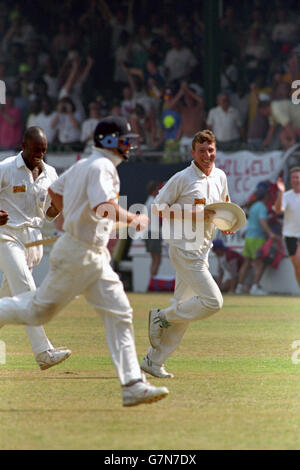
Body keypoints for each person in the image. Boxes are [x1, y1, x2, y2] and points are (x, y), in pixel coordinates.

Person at [0, 116, 169, 407]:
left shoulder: (83, 165)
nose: (129, 144)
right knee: (37, 310)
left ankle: (131, 384)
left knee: (120, 313)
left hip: (90, 253)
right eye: (124, 139)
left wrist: (76, 219)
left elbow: (54, 192)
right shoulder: (104, 167)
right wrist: (134, 219)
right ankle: (131, 383)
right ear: (108, 141)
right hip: (79, 252)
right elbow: (104, 207)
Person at [141, 130, 233, 379]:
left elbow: (224, 204)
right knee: (213, 302)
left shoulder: (220, 176)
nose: (207, 155)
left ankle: (153, 360)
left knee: (184, 310)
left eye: (211, 150)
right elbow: (158, 207)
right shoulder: (182, 178)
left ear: (215, 150)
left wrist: (229, 223)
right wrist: (193, 215)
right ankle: (161, 316)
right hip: (184, 249)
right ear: (192, 153)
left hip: (203, 250)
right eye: (202, 151)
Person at [0, 126, 71, 369]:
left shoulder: (50, 173)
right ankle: (43, 352)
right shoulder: (6, 168)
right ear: (23, 145)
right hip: (6, 237)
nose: (39, 155)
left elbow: (49, 214)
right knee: (28, 291)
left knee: (7, 300)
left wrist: (61, 205)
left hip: (33, 242)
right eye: (35, 150)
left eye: (43, 150)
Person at [235, 183, 280, 295]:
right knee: (259, 264)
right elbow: (262, 221)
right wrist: (271, 233)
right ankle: (254, 288)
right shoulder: (262, 207)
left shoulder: (254, 206)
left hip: (249, 238)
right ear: (266, 196)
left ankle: (239, 287)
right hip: (257, 238)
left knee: (247, 263)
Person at [274, 167, 300, 287]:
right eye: (294, 177)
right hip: (290, 235)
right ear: (290, 180)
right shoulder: (286, 196)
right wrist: (281, 192)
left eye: (298, 177)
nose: (297, 180)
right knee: (297, 268)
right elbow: (278, 210)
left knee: (299, 261)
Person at [144, 181, 163, 285]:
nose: (159, 191)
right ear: (154, 190)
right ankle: (152, 283)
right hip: (153, 233)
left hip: (150, 232)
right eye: (157, 189)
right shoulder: (153, 202)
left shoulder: (150, 201)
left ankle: (151, 282)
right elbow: (159, 219)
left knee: (155, 260)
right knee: (157, 260)